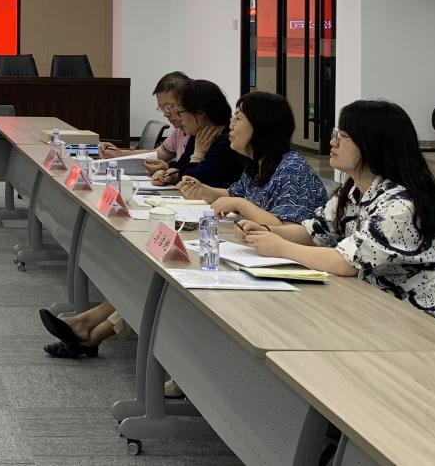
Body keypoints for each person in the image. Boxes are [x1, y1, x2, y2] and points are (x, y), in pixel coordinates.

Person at [39, 85, 272, 361]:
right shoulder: (244, 159)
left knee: (161, 279)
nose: (175, 117)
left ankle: (88, 329)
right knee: (153, 275)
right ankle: (89, 329)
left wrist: (194, 166)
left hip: (239, 243)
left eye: (239, 119)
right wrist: (172, 173)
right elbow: (194, 177)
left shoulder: (235, 150)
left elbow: (207, 180)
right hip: (227, 233)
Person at [239, 99, 435, 320]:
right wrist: (265, 232)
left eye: (343, 136)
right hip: (394, 306)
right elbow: (314, 231)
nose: (333, 142)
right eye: (335, 133)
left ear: (372, 145)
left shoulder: (401, 206)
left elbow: (346, 263)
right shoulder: (352, 192)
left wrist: (280, 247)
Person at [175, 90, 329, 226]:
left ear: (261, 126)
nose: (231, 125)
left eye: (238, 119)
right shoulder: (257, 163)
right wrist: (203, 190)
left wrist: (240, 204)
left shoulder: (292, 169)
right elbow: (232, 194)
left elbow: (288, 227)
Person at [100, 72, 190, 179]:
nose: (166, 114)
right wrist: (119, 153)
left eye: (169, 107)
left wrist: (168, 172)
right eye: (162, 108)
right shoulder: (179, 131)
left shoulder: (198, 132)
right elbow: (156, 154)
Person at [151, 79, 240, 187]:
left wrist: (198, 155)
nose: (180, 118)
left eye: (180, 113)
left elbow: (191, 181)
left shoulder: (228, 141)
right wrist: (169, 174)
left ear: (200, 114)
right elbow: (182, 165)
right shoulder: (198, 134)